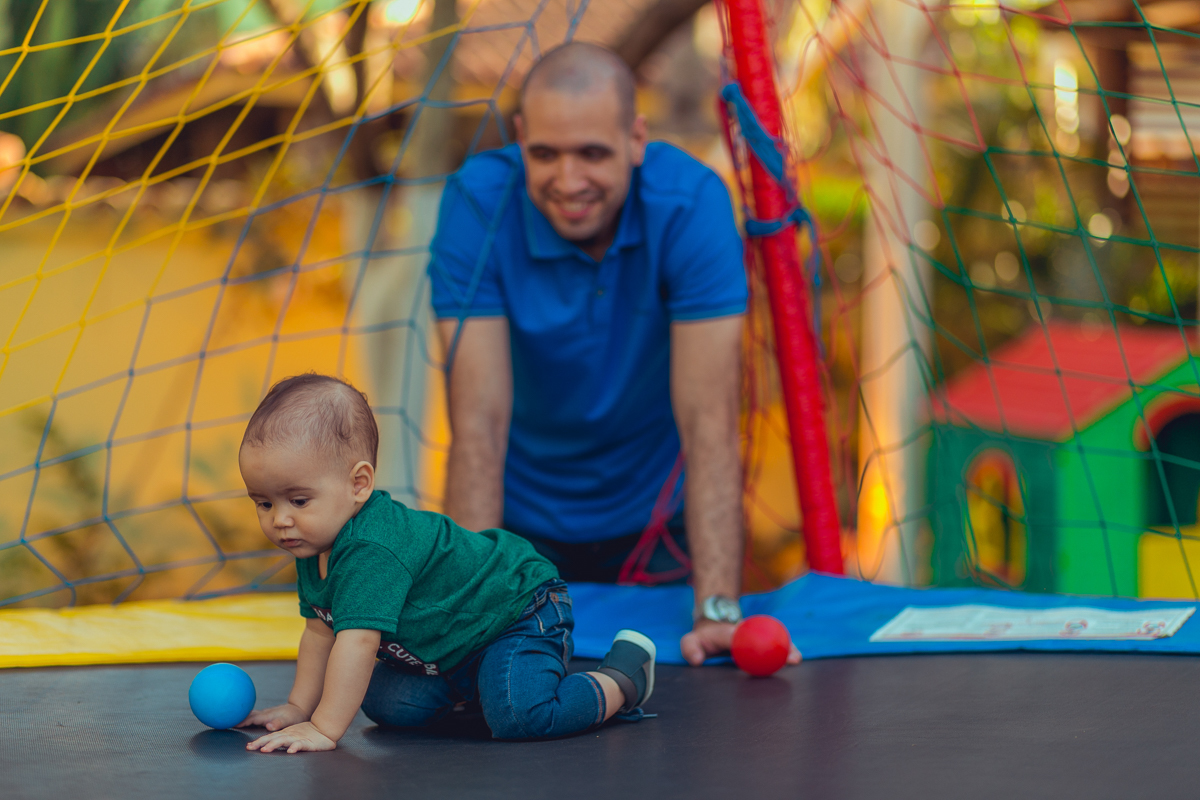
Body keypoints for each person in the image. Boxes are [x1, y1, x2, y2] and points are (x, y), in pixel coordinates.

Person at [429, 43, 799, 667]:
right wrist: (469, 607)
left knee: (679, 719)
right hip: (520, 528)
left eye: (592, 154)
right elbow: (478, 427)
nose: (568, 181)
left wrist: (717, 610)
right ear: (519, 138)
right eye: (545, 153)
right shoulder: (477, 203)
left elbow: (709, 421)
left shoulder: (691, 206)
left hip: (655, 528)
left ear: (635, 139)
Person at [235, 374, 656, 752]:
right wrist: (298, 707)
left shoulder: (373, 547)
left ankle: (622, 677)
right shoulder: (314, 538)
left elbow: (357, 642)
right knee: (387, 704)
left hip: (520, 609)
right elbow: (318, 631)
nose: (281, 520)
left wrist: (323, 729)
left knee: (520, 716)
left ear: (358, 484)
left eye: (298, 500)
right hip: (457, 644)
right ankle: (486, 684)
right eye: (264, 503)